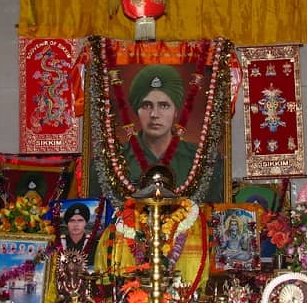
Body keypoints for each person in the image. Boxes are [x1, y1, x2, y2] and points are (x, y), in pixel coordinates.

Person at [89, 64, 223, 202]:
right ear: (137, 111)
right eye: (146, 105)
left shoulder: (201, 159)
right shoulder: (112, 160)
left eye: (164, 105)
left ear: (176, 111)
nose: (154, 114)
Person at [61, 201, 97, 270]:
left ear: (85, 223)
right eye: (72, 220)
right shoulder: (58, 244)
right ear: (67, 224)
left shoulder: (94, 245)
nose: (76, 224)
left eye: (80, 220)